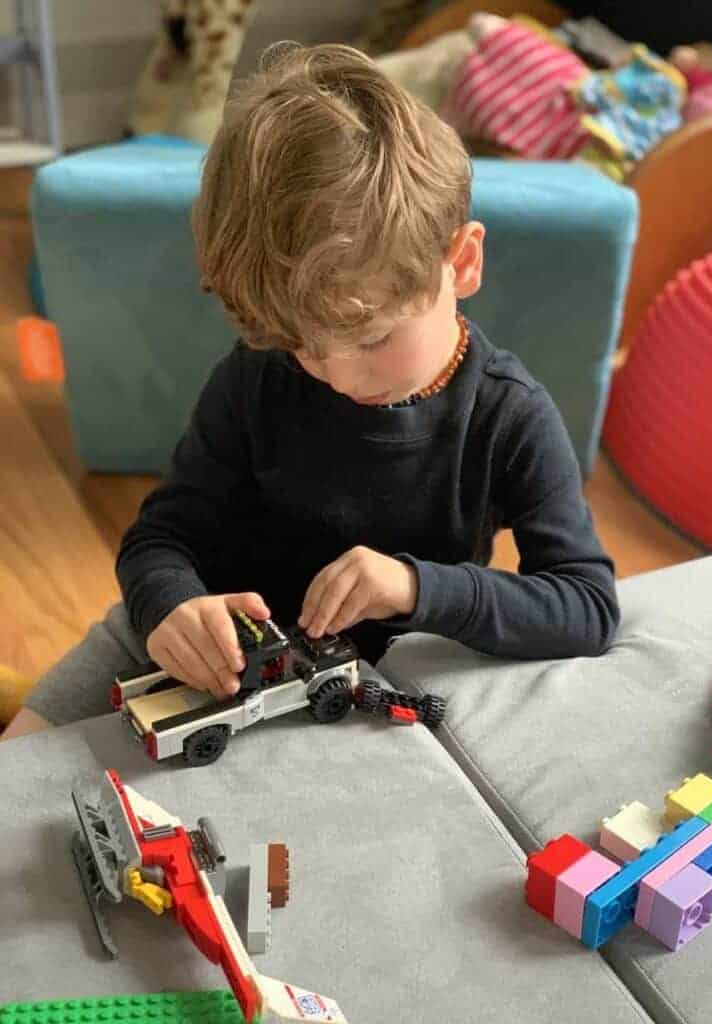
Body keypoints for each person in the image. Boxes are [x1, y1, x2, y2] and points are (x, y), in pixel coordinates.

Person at [4, 42, 619, 741]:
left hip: (347, 681)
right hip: (188, 637)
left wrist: (417, 588)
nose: (337, 375)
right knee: (19, 773)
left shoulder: (509, 416)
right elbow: (160, 538)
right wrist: (170, 605)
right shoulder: (259, 373)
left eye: (370, 341)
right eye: (303, 344)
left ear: (463, 261)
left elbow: (586, 606)